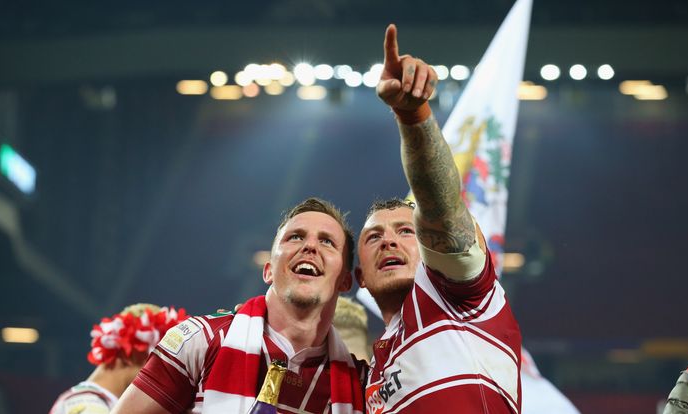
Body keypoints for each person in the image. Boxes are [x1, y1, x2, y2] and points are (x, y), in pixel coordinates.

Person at [354, 24, 523, 413]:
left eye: (405, 231)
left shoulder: (462, 298)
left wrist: (413, 116)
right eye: (373, 237)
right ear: (359, 277)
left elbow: (440, 211)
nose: (389, 241)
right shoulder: (371, 374)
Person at [112, 198, 366, 414]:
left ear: (345, 280)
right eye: (295, 237)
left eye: (327, 242)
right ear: (268, 271)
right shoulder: (202, 339)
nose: (309, 246)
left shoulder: (361, 383)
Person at [50, 303, 188, 414]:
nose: (162, 376)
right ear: (129, 354)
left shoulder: (92, 403)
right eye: (156, 362)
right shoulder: (86, 405)